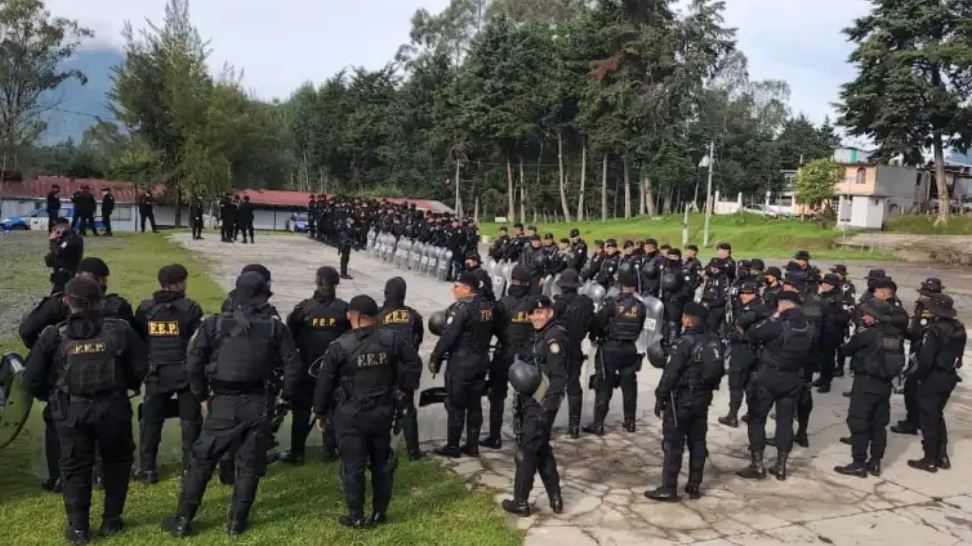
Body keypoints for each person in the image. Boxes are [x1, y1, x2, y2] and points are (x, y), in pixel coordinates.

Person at [162, 272, 302, 538]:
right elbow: (293, 366)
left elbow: (193, 364)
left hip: (223, 403)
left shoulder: (213, 324)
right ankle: (237, 522)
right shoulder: (274, 327)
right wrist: (284, 397)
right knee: (249, 465)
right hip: (258, 403)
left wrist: (202, 396)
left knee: (201, 461)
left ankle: (183, 520)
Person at [23, 276, 148, 544]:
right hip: (113, 407)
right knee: (117, 462)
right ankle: (112, 519)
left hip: (71, 410)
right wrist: (121, 384)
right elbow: (141, 368)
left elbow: (31, 379)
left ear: (66, 301)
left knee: (74, 467)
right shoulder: (119, 329)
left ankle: (79, 528)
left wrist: (55, 396)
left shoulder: (53, 335)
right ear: (99, 300)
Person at [313, 295, 421, 528]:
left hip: (350, 416)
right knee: (382, 464)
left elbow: (324, 383)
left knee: (353, 467)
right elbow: (414, 364)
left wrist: (320, 413)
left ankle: (357, 517)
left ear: (352, 316)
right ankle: (379, 513)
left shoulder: (340, 346)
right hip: (382, 413)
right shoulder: (393, 339)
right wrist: (401, 390)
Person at [133, 264, 205, 483]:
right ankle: (190, 469)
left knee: (151, 423)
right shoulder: (191, 308)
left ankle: (148, 469)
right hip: (185, 374)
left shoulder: (145, 309)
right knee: (190, 421)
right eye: (184, 281)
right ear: (177, 284)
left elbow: (139, 340)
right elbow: (198, 344)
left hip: (156, 373)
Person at [646, 303, 722, 501]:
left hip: (681, 400)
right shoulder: (713, 340)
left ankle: (669, 488)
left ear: (688, 320)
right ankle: (694, 485)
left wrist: (661, 396)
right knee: (698, 441)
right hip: (702, 399)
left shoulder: (683, 343)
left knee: (673, 443)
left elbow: (670, 373)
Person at [737, 291, 814, 481]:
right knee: (785, 421)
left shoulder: (778, 324)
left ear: (783, 304)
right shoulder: (809, 326)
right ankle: (781, 466)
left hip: (769, 375)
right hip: (793, 377)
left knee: (756, 419)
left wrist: (775, 316)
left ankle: (757, 465)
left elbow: (753, 334)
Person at [502, 296, 567, 516]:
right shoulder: (539, 334)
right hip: (531, 401)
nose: (535, 317)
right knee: (542, 449)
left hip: (542, 404)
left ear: (550, 313)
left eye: (540, 313)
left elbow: (559, 376)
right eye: (532, 314)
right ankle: (555, 498)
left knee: (526, 452)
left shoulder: (554, 337)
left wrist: (548, 408)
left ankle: (520, 502)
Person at [280, 266, 350, 464]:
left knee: (301, 412)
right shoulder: (344, 310)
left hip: (307, 369)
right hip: (333, 371)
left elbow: (289, 338)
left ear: (317, 282)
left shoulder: (302, 310)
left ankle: (297, 453)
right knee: (332, 409)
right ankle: (329, 451)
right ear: (336, 283)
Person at [833, 299, 904, 478]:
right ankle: (875, 462)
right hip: (884, 385)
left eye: (867, 315)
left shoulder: (867, 335)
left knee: (858, 421)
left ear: (875, 318)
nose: (864, 317)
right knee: (879, 425)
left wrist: (856, 335)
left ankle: (858, 462)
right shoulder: (895, 335)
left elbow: (845, 350)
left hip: (866, 383)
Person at [430, 272, 495, 458]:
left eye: (457, 286)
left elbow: (449, 335)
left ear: (467, 289)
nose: (453, 289)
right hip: (481, 361)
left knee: (456, 405)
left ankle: (453, 446)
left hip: (462, 363)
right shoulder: (487, 306)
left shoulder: (462, 309)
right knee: (474, 405)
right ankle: (472, 446)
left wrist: (435, 357)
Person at [907, 294, 966, 473]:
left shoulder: (934, 331)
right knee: (937, 416)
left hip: (933, 378)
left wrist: (918, 376)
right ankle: (941, 455)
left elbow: (926, 359)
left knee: (928, 420)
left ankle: (930, 459)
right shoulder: (958, 327)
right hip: (948, 376)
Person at [583, 269, 646, 435]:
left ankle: (598, 424)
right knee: (629, 387)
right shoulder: (641, 306)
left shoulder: (612, 304)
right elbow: (640, 327)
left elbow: (598, 322)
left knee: (603, 385)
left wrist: (594, 337)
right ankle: (630, 422)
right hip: (630, 348)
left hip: (610, 348)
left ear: (620, 285)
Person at [482, 266, 535, 449]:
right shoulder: (533, 303)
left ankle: (495, 437)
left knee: (497, 396)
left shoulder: (503, 303)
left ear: (512, 281)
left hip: (505, 352)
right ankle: (523, 435)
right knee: (526, 395)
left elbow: (492, 328)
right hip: (527, 354)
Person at [378, 277, 425, 460]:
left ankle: (381, 451)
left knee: (381, 408)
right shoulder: (413, 316)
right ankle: (413, 452)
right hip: (407, 370)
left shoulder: (378, 315)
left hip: (383, 368)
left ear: (385, 293)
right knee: (407, 408)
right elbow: (418, 339)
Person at [718, 281, 771, 428]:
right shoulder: (762, 307)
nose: (743, 296)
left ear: (755, 294)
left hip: (743, 350)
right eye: (742, 293)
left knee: (736, 383)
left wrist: (734, 331)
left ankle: (732, 416)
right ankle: (751, 414)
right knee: (750, 385)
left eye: (747, 293)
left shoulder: (752, 310)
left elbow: (740, 324)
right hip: (756, 351)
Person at [552, 269, 594, 438]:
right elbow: (592, 322)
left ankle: (546, 424)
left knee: (554, 385)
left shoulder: (558, 303)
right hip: (576, 346)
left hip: (559, 348)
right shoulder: (586, 303)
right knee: (574, 385)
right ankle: (574, 427)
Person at [815, 274, 853, 393]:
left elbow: (846, 315)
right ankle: (822, 377)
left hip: (832, 332)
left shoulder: (840, 298)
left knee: (828, 358)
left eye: (827, 284)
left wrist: (832, 318)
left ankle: (827, 381)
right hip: (821, 330)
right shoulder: (822, 295)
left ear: (834, 285)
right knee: (821, 356)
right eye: (823, 283)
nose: (824, 285)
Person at [45, 218, 84, 293]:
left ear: (62, 228)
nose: (54, 232)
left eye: (55, 229)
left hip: (68, 274)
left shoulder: (72, 238)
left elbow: (59, 252)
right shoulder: (64, 238)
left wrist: (53, 242)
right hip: (60, 274)